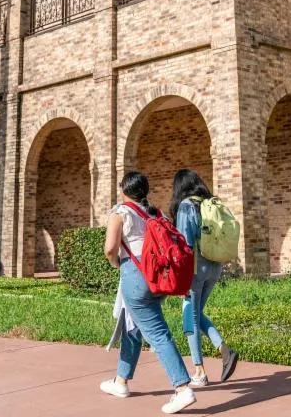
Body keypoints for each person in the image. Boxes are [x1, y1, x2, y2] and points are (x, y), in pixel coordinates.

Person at [101, 171, 196, 414]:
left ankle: (182, 388)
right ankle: (121, 381)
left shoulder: (120, 213)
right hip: (158, 277)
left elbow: (110, 248)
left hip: (136, 277)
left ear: (124, 189)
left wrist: (116, 263)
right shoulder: (155, 212)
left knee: (157, 333)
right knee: (133, 327)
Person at [170, 169, 239, 387]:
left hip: (195, 269)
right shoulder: (209, 203)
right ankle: (224, 351)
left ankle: (199, 371)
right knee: (196, 314)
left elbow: (185, 243)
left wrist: (180, 276)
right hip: (215, 266)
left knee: (189, 317)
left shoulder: (186, 206)